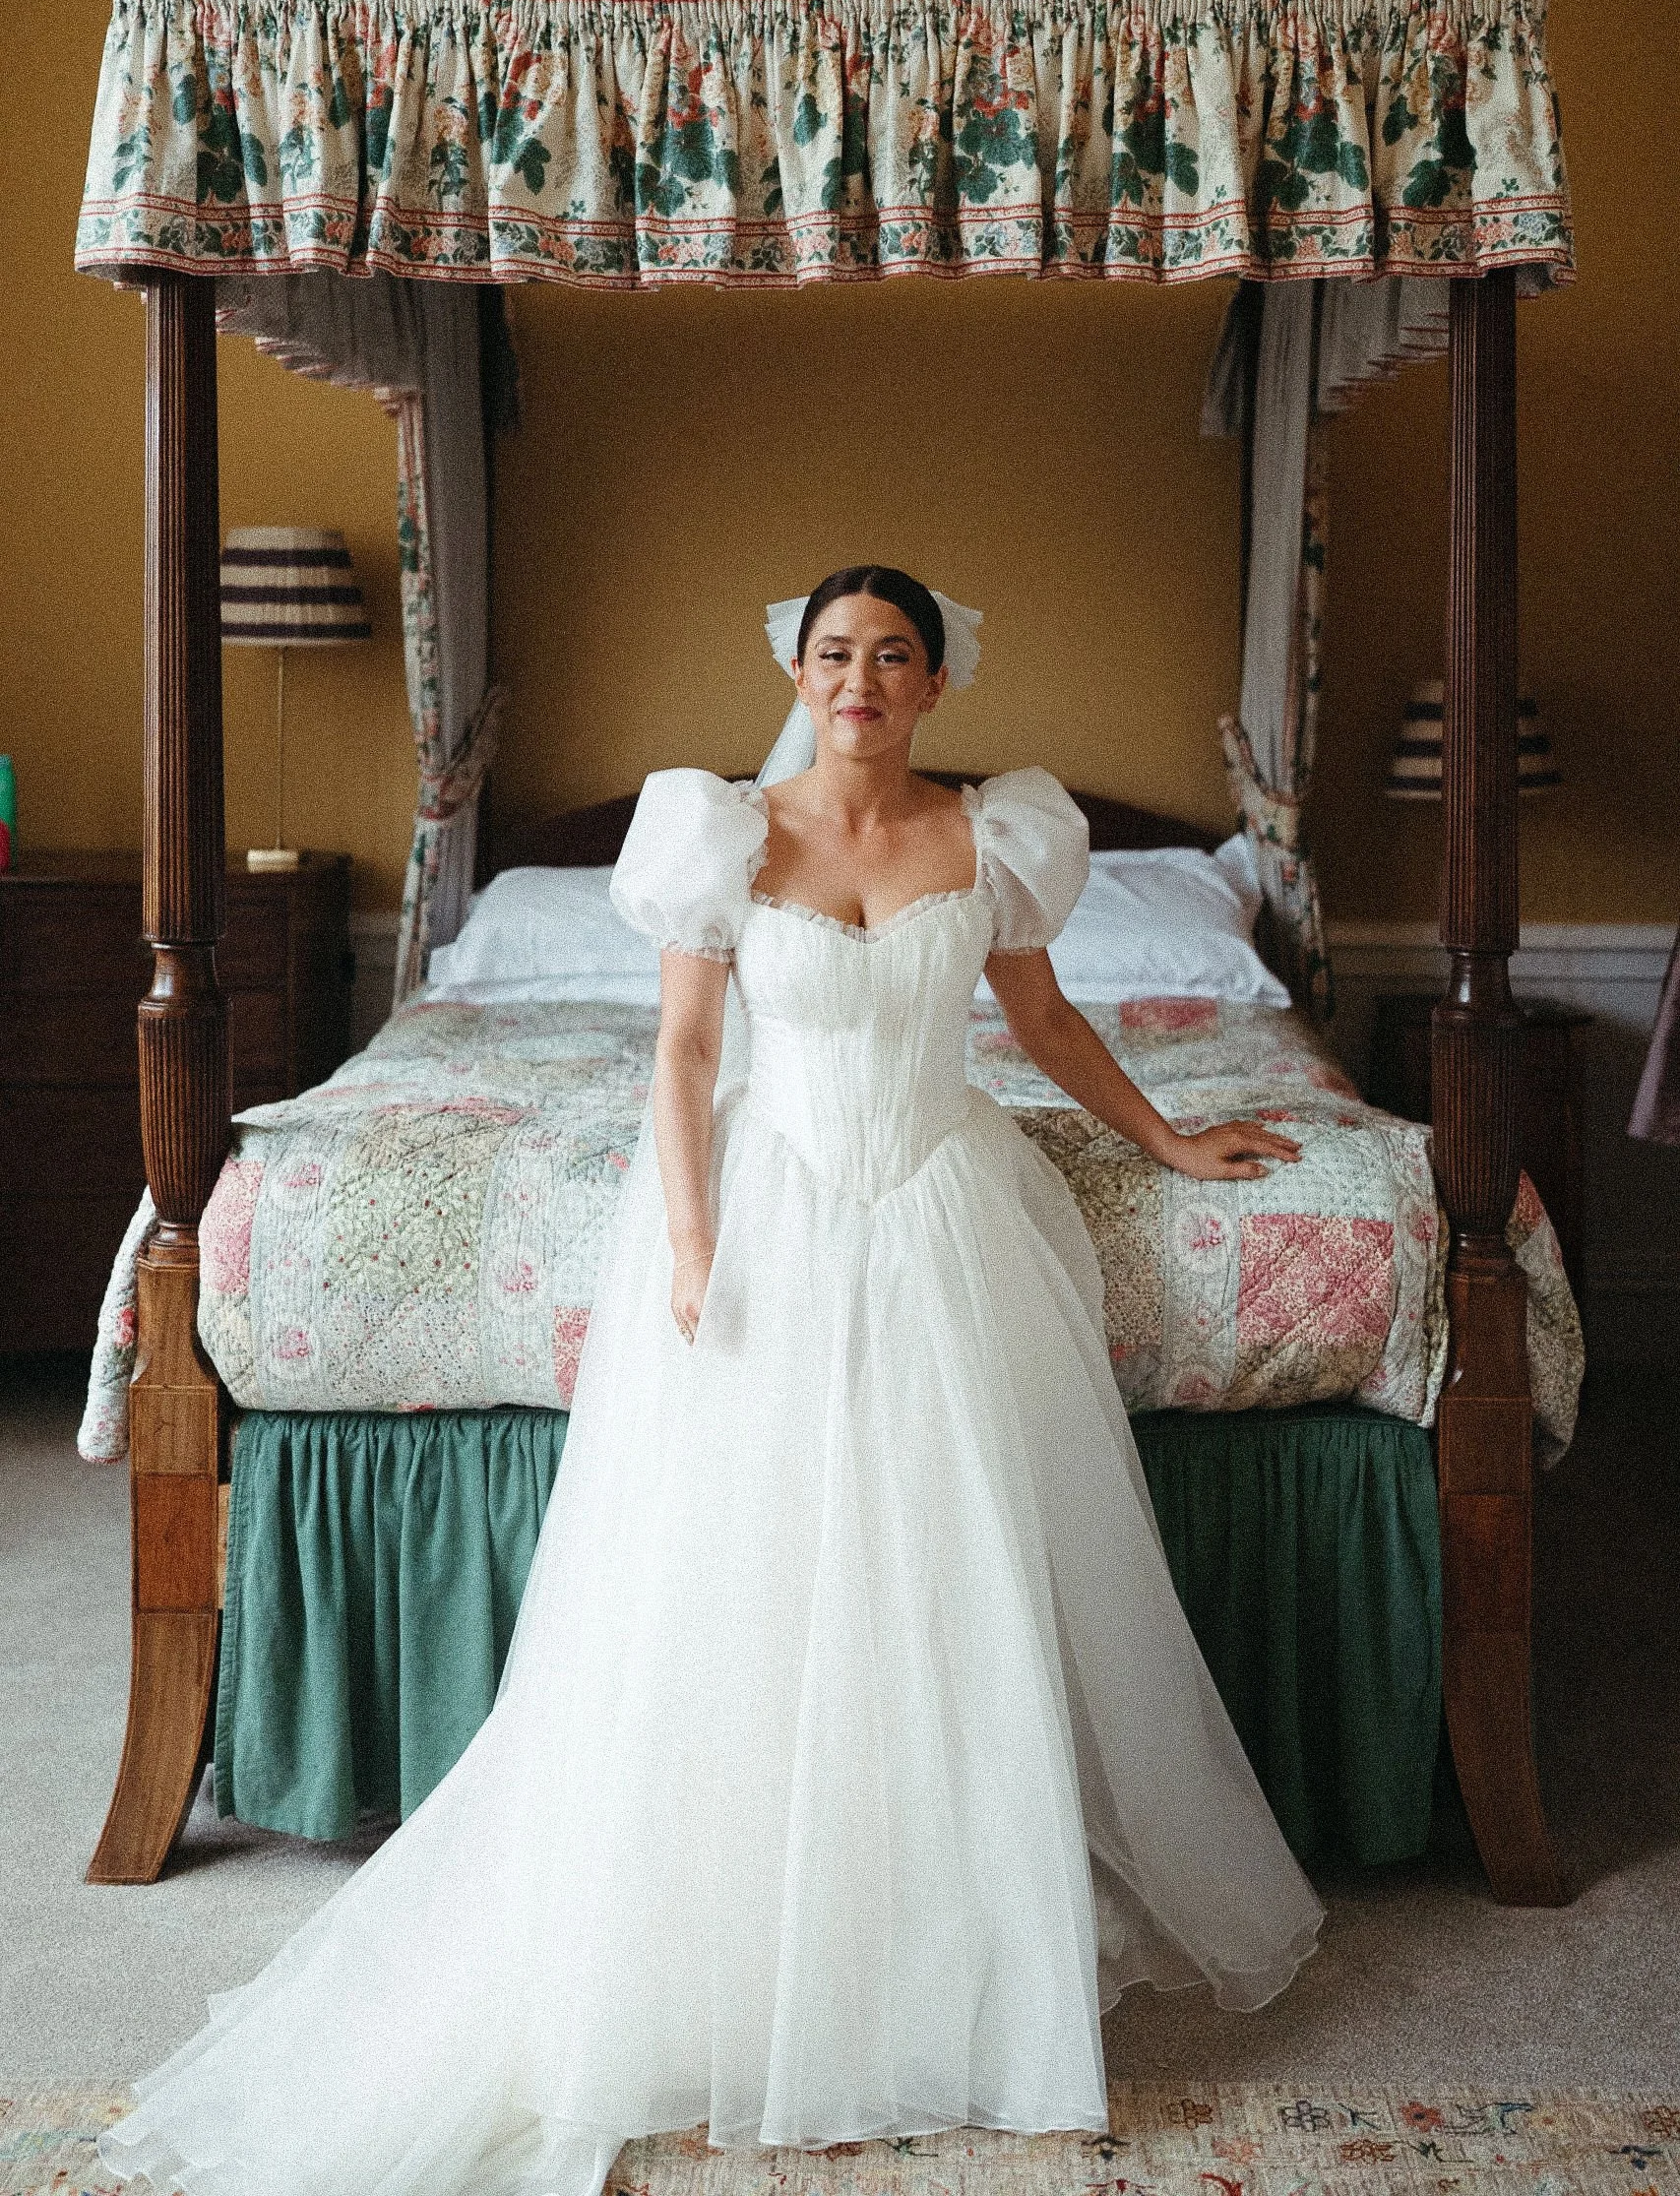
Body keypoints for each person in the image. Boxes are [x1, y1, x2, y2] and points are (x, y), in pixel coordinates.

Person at [100, 566, 1322, 2196]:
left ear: (935, 683)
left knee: (948, 1558)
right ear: (799, 675)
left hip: (947, 1210)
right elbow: (682, 1055)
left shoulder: (997, 837)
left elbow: (1037, 1020)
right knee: (754, 1569)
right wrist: (691, 1241)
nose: (860, 680)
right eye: (835, 654)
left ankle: (958, 1924)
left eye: (893, 656)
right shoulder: (719, 837)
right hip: (774, 1209)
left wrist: (1168, 1139)